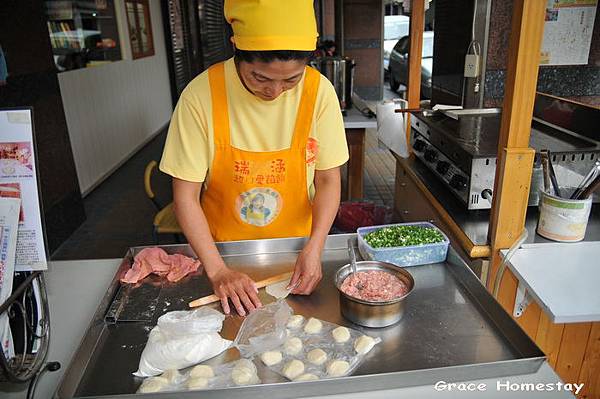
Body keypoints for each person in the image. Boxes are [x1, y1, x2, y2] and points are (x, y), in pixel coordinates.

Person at [160, 0, 349, 316]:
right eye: (261, 78)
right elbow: (185, 197)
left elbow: (328, 179)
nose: (274, 92)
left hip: (298, 250)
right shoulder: (200, 96)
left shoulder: (320, 93)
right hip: (222, 255)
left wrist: (315, 247)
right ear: (235, 47)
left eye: (291, 80)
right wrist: (218, 271)